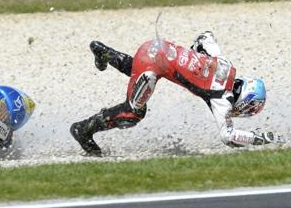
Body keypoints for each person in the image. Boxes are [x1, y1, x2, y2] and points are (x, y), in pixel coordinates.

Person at [70, 31, 285, 156]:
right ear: (246, 101)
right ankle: (83, 130)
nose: (244, 112)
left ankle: (106, 53)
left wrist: (193, 57)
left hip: (155, 46)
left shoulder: (225, 63)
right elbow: (228, 137)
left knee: (140, 75)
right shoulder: (222, 99)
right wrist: (261, 139)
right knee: (133, 113)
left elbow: (205, 36)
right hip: (151, 66)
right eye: (249, 109)